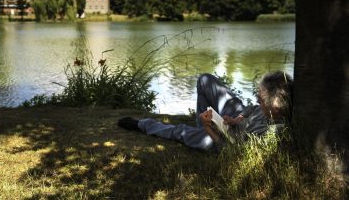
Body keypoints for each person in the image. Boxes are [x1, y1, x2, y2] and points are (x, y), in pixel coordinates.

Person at [117, 71, 293, 151]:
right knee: (205, 80)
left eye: (261, 100)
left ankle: (142, 125)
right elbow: (252, 109)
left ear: (275, 109)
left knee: (181, 132)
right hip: (235, 123)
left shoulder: (273, 133)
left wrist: (209, 130)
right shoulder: (270, 107)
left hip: (226, 140)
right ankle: (203, 123)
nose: (257, 101)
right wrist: (237, 118)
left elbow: (232, 153)